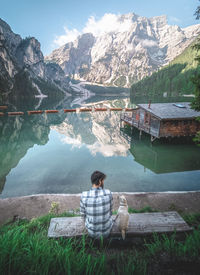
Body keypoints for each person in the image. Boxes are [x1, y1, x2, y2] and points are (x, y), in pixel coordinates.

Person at [80, 171, 113, 239]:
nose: (103, 182)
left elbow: (83, 216)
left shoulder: (84, 195)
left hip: (92, 232)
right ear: (100, 181)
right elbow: (110, 212)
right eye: (103, 180)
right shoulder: (108, 193)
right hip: (106, 232)